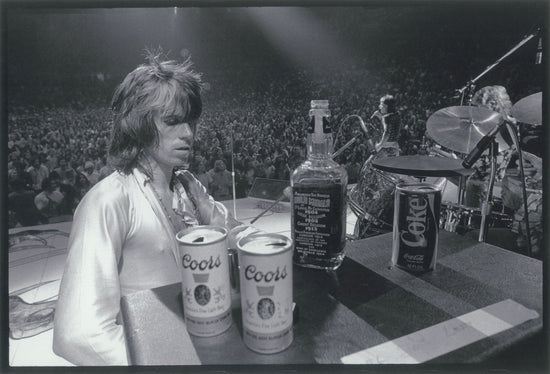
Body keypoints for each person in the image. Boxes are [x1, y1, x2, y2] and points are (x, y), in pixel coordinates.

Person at [53, 51, 258, 365]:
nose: (188, 133)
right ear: (139, 124)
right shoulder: (108, 200)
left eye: (190, 121)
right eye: (173, 122)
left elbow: (234, 234)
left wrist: (263, 245)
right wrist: (169, 359)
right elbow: (78, 334)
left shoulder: (188, 185)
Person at [349, 94, 405, 238]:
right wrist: (380, 118)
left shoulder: (387, 118)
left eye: (381, 104)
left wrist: (379, 146)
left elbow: (387, 133)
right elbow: (391, 128)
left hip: (386, 150)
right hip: (394, 150)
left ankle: (369, 204)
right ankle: (376, 204)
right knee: (386, 178)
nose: (379, 106)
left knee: (371, 170)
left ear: (386, 105)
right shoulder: (396, 116)